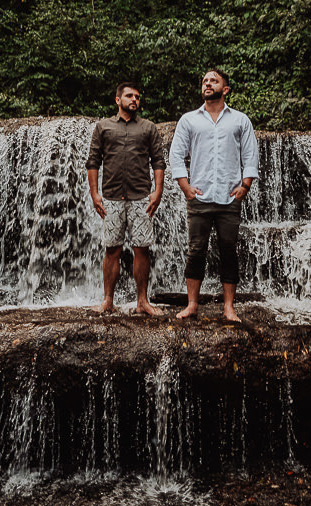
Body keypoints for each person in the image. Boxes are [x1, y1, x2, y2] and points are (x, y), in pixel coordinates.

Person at [168, 68, 259, 322]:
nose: (207, 84)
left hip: (230, 197)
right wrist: (185, 187)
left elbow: (250, 154)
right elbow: (176, 155)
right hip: (200, 196)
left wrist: (246, 186)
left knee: (229, 251)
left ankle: (229, 307)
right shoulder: (189, 120)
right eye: (205, 80)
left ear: (225, 89)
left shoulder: (240, 120)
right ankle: (192, 305)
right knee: (196, 250)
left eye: (213, 81)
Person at [86, 82, 166, 316]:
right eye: (129, 96)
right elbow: (93, 161)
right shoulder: (103, 127)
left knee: (141, 249)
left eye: (137, 97)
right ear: (118, 100)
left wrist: (158, 191)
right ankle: (108, 301)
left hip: (141, 197)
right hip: (111, 197)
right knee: (112, 249)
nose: (134, 100)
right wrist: (94, 194)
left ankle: (142, 301)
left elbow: (158, 161)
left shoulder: (148, 128)